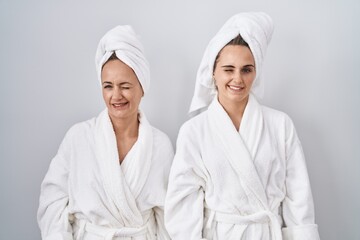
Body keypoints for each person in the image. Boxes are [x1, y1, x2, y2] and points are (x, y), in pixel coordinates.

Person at [165, 12, 320, 240]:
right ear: (213, 73)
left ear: (255, 73)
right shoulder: (194, 131)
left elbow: (299, 200)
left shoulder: (280, 125)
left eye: (246, 69)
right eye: (228, 69)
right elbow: (182, 208)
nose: (237, 79)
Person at [37, 25, 173, 240]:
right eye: (108, 86)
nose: (116, 95)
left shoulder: (160, 145)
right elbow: (52, 201)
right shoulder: (79, 137)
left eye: (125, 86)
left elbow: (168, 217)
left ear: (142, 87)